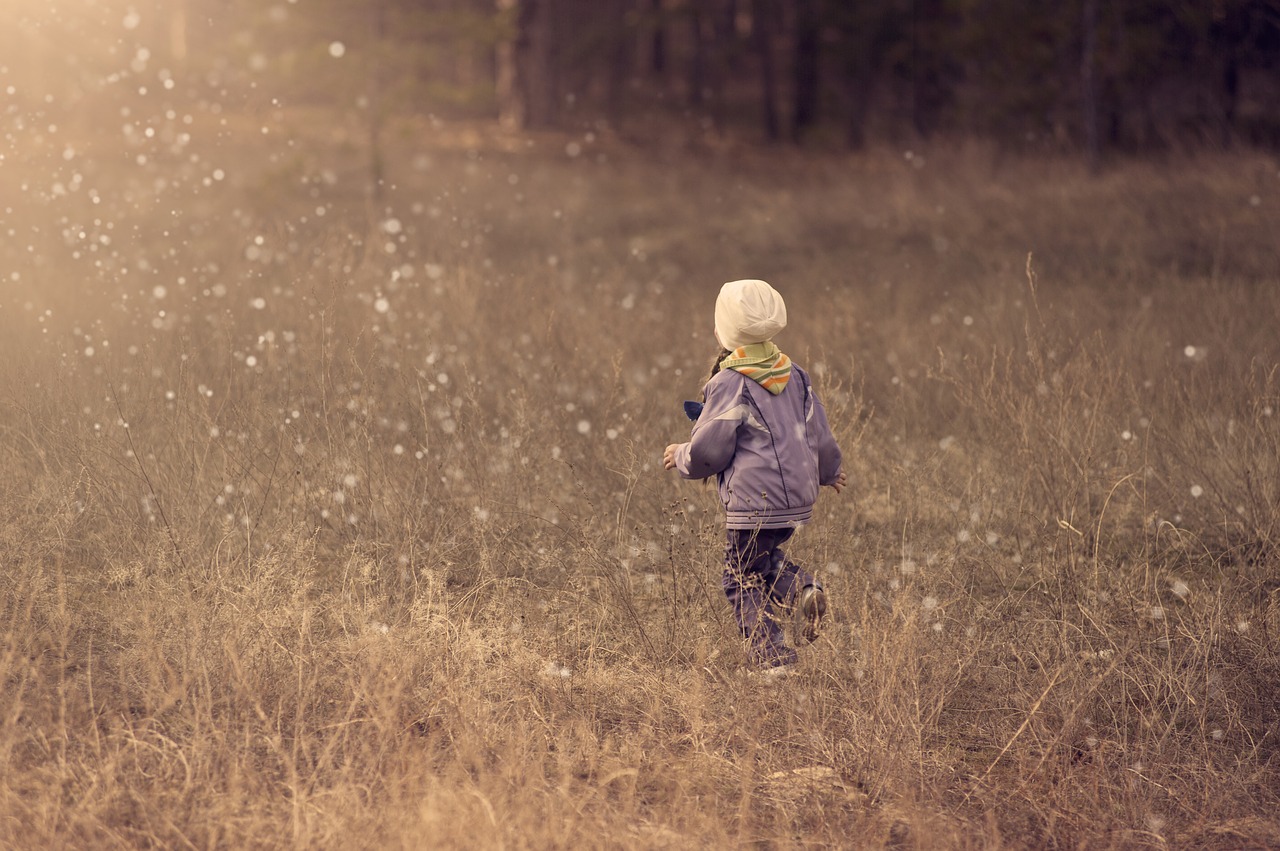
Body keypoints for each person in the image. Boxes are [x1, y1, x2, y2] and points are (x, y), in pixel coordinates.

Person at [663, 279, 846, 672]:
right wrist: (828, 471)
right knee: (760, 563)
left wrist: (681, 455)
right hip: (795, 500)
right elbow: (820, 433)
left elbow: (710, 450)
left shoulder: (730, 382)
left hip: (753, 501)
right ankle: (803, 589)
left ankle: (771, 658)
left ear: (723, 331)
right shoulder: (796, 375)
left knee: (739, 578)